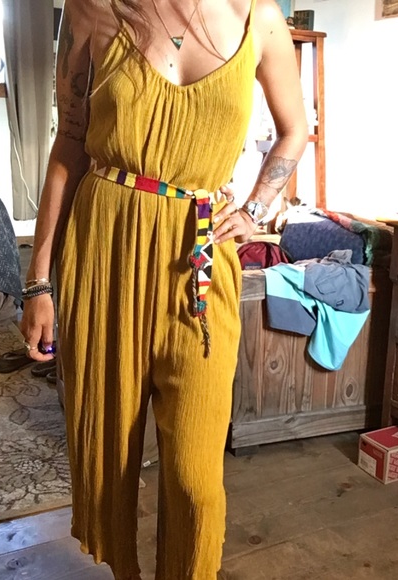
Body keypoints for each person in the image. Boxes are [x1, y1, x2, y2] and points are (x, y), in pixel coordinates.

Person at [20, 0, 308, 578]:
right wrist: (38, 283)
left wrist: (254, 209)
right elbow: (69, 144)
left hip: (200, 263)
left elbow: (294, 131)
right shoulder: (91, 8)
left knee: (196, 480)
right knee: (110, 453)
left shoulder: (258, 18)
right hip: (106, 252)